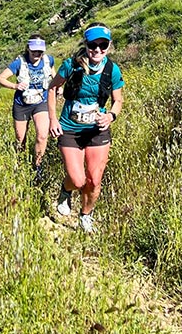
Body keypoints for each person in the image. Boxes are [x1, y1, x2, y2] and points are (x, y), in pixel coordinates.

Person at [48, 23, 124, 233]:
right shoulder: (71, 65)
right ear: (86, 44)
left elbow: (118, 100)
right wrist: (53, 119)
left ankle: (86, 215)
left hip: (97, 130)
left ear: (109, 46)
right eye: (93, 45)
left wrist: (110, 115)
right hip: (70, 129)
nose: (98, 50)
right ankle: (66, 190)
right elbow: (53, 88)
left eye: (103, 45)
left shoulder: (112, 70)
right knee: (77, 178)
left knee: (94, 179)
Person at [0, 34, 56, 182]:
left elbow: (53, 76)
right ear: (28, 49)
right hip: (22, 105)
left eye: (40, 51)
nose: (37, 54)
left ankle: (38, 168)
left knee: (42, 135)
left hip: (40, 102)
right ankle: (21, 165)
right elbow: (0, 78)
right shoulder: (19, 63)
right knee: (20, 140)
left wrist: (57, 88)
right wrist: (15, 86)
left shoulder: (49, 60)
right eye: (34, 51)